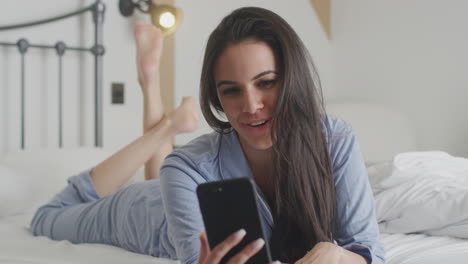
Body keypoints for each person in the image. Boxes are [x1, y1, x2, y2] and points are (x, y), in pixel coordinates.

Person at [31, 7, 385, 264]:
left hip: (177, 183)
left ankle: (157, 99)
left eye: (266, 83)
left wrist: (338, 255)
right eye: (231, 91)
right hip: (146, 212)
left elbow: (367, 251)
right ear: (216, 96)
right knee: (49, 215)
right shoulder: (185, 168)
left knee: (170, 170)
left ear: (292, 78)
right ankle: (166, 122)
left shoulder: (334, 139)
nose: (251, 105)